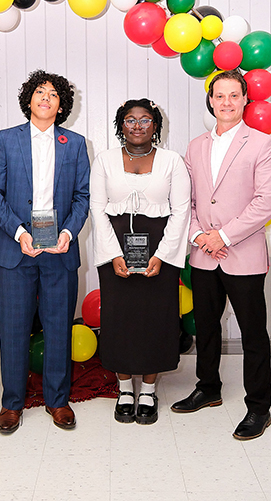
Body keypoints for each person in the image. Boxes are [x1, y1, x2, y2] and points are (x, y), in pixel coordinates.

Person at [171, 70, 271, 441]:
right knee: (207, 326)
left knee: (253, 334)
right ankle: (209, 387)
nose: (227, 102)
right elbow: (188, 201)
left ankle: (259, 407)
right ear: (211, 100)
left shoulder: (263, 144)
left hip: (244, 253)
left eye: (235, 95)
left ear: (245, 100)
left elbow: (266, 201)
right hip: (204, 255)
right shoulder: (195, 146)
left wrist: (225, 235)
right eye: (220, 96)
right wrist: (201, 235)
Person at [0, 69, 90, 434]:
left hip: (60, 250)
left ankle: (58, 401)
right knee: (13, 329)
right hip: (16, 250)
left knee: (59, 327)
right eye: (39, 92)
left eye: (53, 95)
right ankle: (12, 403)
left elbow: (82, 197)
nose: (46, 98)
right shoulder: (5, 140)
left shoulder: (75, 143)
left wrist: (67, 232)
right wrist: (18, 232)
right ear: (28, 100)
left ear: (61, 106)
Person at [90, 99, 191, 424]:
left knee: (154, 319)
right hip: (114, 246)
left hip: (161, 246)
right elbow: (97, 208)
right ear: (121, 125)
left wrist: (162, 255)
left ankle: (148, 388)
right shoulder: (104, 160)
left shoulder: (172, 161)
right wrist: (112, 254)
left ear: (155, 125)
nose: (137, 125)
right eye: (130, 120)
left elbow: (181, 211)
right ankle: (124, 388)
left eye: (145, 120)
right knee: (119, 317)